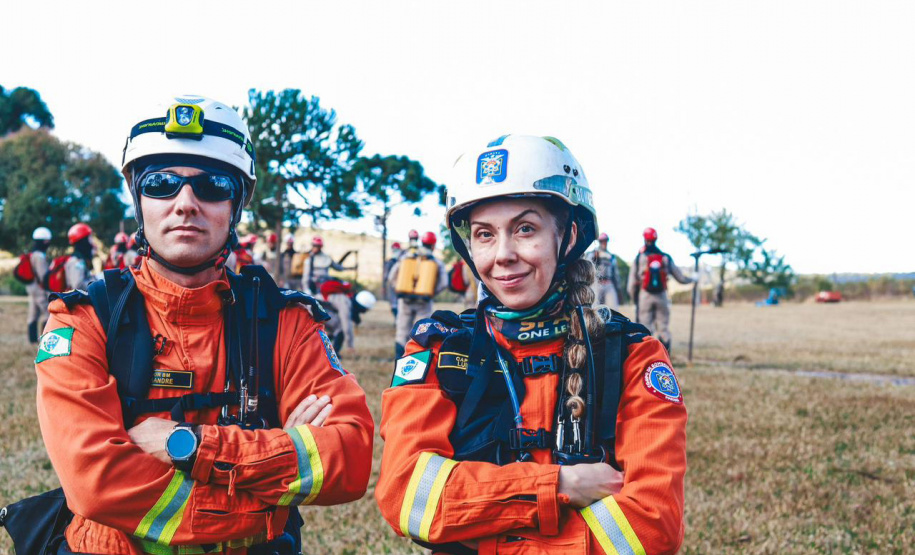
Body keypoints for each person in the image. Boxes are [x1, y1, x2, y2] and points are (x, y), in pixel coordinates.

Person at [34, 95, 373, 555]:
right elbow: (95, 484)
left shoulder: (286, 323)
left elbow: (348, 459)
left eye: (213, 185)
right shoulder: (84, 320)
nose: (186, 203)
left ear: (236, 206)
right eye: (161, 183)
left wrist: (188, 446)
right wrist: (266, 489)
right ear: (139, 201)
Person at [376, 135, 687, 555]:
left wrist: (479, 519)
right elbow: (408, 498)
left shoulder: (632, 354)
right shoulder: (437, 350)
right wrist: (560, 486)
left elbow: (652, 527)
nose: (503, 254)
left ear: (569, 234)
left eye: (525, 229)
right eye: (485, 234)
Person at [626, 227, 695, 352]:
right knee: (663, 328)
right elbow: (680, 278)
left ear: (644, 239)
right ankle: (665, 357)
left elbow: (631, 284)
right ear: (656, 239)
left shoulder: (639, 258)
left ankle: (646, 358)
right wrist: (693, 279)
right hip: (662, 296)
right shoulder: (665, 257)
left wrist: (634, 299)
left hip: (645, 295)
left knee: (645, 329)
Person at [387, 231, 447, 358]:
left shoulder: (408, 257)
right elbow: (444, 283)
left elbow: (392, 276)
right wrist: (431, 292)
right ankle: (417, 362)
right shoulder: (435, 262)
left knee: (402, 331)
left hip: (405, 300)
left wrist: (398, 289)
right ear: (433, 245)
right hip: (424, 302)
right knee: (422, 331)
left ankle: (399, 360)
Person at [26, 226, 52, 343]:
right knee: (48, 313)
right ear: (44, 241)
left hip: (31, 288)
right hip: (39, 289)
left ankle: (32, 340)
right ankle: (45, 339)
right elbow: (43, 276)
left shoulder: (32, 254)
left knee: (33, 314)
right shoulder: (40, 256)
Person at [589, 232, 621, 309]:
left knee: (613, 308)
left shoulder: (611, 256)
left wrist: (618, 289)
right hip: (596, 283)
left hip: (609, 283)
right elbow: (588, 265)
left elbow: (615, 274)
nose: (604, 243)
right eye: (602, 241)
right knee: (594, 307)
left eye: (605, 241)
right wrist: (594, 257)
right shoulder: (592, 253)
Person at [65, 222, 96, 290]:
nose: (92, 241)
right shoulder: (76, 262)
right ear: (83, 241)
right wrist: (96, 284)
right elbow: (78, 285)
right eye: (89, 238)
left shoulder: (81, 259)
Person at [384, 241, 404, 316]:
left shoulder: (403, 261)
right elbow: (387, 275)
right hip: (393, 286)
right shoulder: (391, 261)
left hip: (401, 286)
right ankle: (397, 320)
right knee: (394, 305)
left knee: (399, 304)